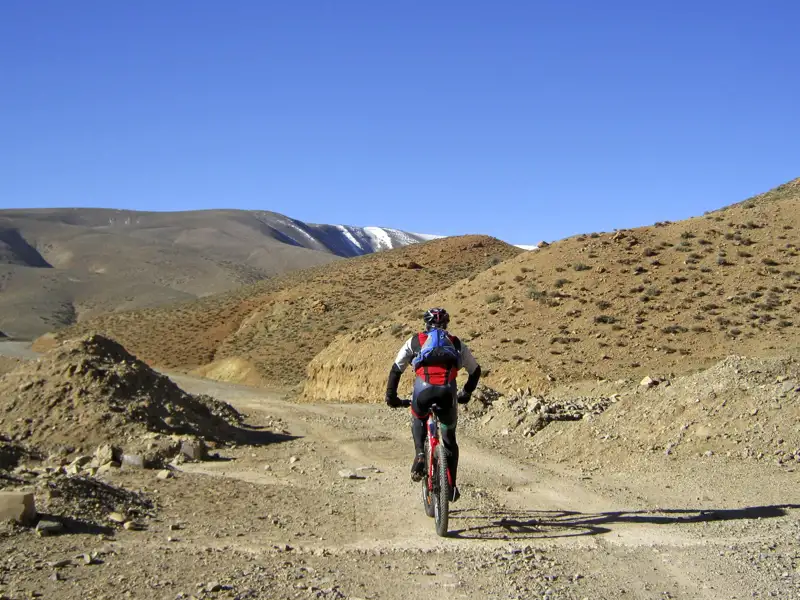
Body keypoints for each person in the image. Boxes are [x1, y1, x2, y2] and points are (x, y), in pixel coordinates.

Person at [385, 307, 481, 502]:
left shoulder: (415, 341)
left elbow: (396, 369)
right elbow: (475, 371)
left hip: (423, 391)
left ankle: (420, 455)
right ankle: (451, 486)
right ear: (446, 324)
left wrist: (392, 397)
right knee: (449, 438)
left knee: (418, 416)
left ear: (426, 323)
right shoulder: (456, 343)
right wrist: (466, 393)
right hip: (447, 393)